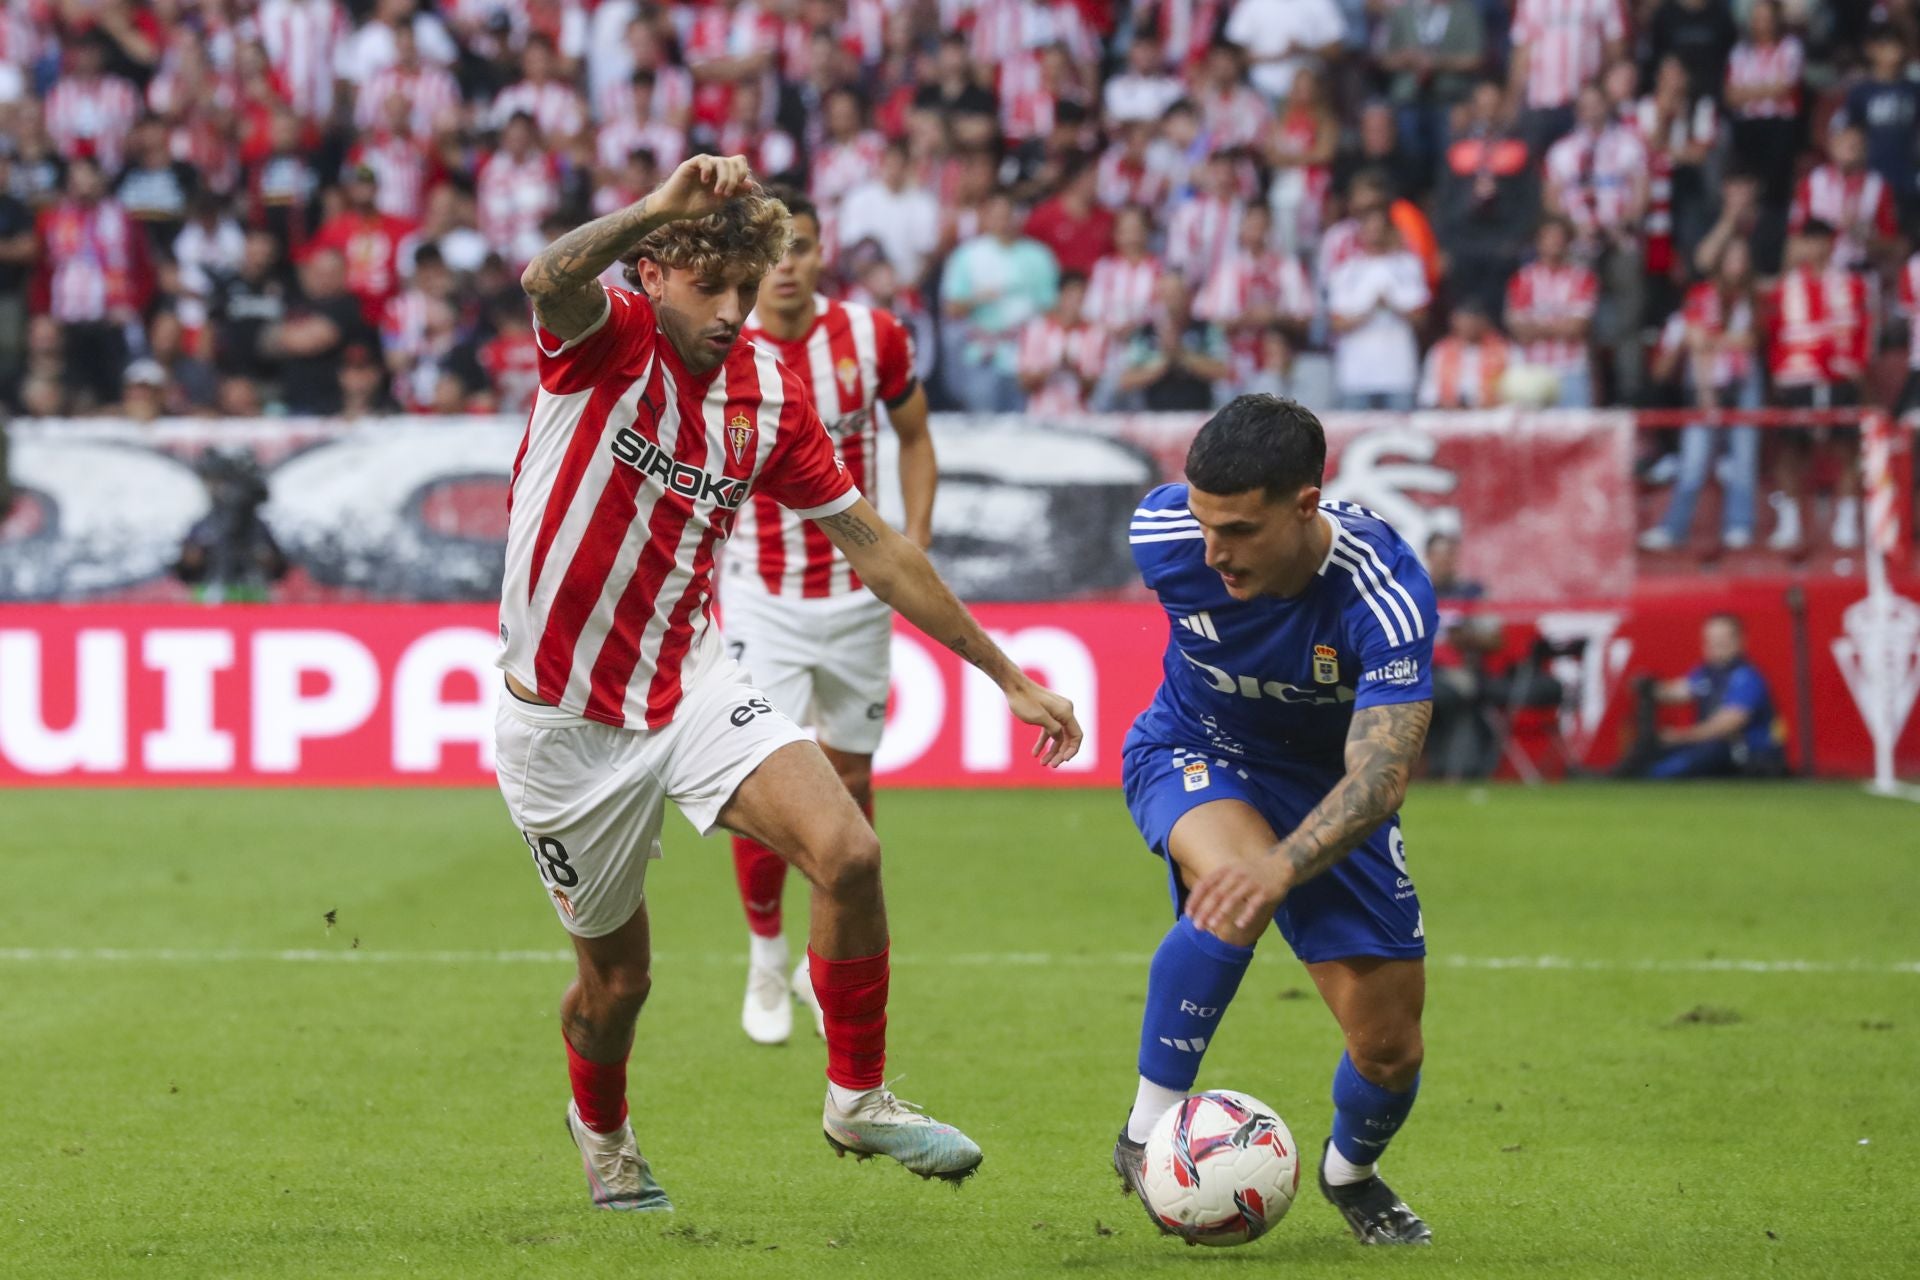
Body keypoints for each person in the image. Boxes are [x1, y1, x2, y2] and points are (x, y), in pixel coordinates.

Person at [499, 155, 1081, 1208]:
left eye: (744, 286)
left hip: (691, 678)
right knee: (616, 983)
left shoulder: (769, 389)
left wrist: (1007, 674)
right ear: (657, 274)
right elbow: (547, 277)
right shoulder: (605, 341)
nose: (731, 311)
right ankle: (604, 1127)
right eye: (710, 286)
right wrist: (654, 209)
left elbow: (877, 545)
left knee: (850, 848)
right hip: (564, 723)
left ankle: (857, 1096)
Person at [1111, 395, 1436, 1246]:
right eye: (1204, 523)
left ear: (1305, 503)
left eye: (1241, 532)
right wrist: (1261, 869)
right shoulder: (1165, 537)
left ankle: (1349, 1175)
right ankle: (1147, 1133)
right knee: (1232, 885)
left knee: (1391, 1048)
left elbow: (1381, 775)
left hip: (1326, 788)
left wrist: (1287, 862)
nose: (1215, 553)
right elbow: (1192, 542)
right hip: (1193, 746)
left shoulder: (1385, 589)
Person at [723, 187, 939, 1047]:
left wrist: (914, 540)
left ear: (820, 253)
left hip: (859, 598)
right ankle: (767, 958)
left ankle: (828, 958)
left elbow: (915, 435)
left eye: (802, 248)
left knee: (849, 784)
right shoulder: (723, 342)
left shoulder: (873, 337)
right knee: (761, 784)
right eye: (774, 252)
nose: (787, 266)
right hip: (760, 596)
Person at [1616, 614, 1783, 779]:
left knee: (1668, 770)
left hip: (1745, 756)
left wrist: (1681, 736)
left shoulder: (1746, 677)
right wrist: (1650, 687)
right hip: (1712, 747)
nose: (1716, 645)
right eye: (1711, 639)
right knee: (1651, 757)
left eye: (1722, 639)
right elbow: (1679, 692)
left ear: (1739, 640)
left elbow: (1727, 724)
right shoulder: (1707, 673)